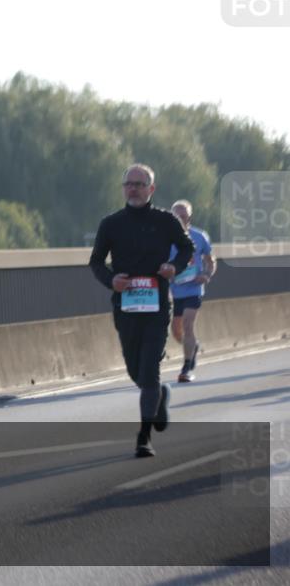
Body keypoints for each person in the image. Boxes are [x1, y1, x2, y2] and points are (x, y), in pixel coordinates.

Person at [88, 164, 194, 458]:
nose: (133, 188)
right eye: (128, 184)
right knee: (137, 372)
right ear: (123, 188)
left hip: (158, 305)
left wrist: (174, 267)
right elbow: (96, 261)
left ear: (151, 189)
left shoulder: (166, 221)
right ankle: (159, 396)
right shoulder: (111, 223)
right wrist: (112, 280)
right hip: (126, 307)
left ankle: (143, 437)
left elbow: (187, 249)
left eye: (139, 183)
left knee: (149, 369)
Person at [168, 200, 215, 382]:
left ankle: (187, 367)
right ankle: (192, 346)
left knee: (188, 325)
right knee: (177, 330)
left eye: (183, 217)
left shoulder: (199, 236)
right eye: (176, 217)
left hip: (194, 289)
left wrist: (206, 274)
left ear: (189, 218)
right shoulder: (165, 239)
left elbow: (210, 260)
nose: (180, 220)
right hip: (175, 289)